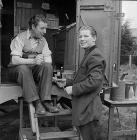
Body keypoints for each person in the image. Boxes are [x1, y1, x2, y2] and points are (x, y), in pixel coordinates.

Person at [58, 25, 106, 140]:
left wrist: (73, 89)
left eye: (86, 36)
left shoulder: (95, 55)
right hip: (85, 107)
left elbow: (94, 81)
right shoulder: (89, 53)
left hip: (89, 108)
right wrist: (67, 82)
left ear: (94, 38)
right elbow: (84, 78)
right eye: (80, 36)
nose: (82, 39)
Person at [8, 14, 59, 114]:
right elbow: (14, 60)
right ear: (33, 27)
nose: (45, 31)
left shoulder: (43, 40)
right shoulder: (19, 38)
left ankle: (46, 100)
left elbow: (48, 60)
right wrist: (33, 60)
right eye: (42, 28)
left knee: (47, 67)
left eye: (46, 28)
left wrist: (42, 60)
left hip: (32, 71)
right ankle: (36, 102)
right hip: (16, 71)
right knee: (23, 69)